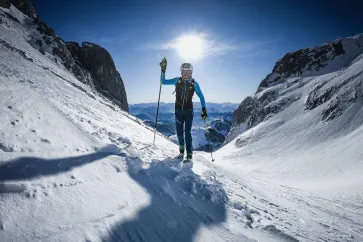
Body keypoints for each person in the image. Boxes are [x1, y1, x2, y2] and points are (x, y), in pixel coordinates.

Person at [159, 57, 208, 162]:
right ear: (181, 72)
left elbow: (201, 96)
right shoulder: (177, 80)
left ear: (191, 72)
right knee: (179, 133)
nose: (186, 73)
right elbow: (163, 81)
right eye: (184, 71)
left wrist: (204, 109)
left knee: (187, 133)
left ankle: (189, 155)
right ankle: (181, 152)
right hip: (178, 111)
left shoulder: (194, 83)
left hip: (189, 111)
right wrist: (163, 70)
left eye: (188, 71)